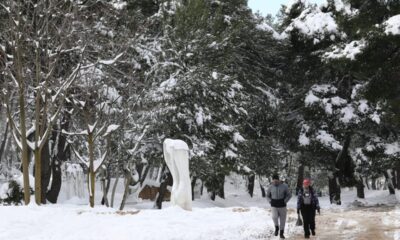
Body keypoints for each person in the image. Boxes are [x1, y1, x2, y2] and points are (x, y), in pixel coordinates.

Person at [266, 174, 291, 239]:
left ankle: (281, 233)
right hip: (274, 205)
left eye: (276, 181)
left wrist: (285, 201)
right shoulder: (270, 186)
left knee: (283, 220)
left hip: (282, 205)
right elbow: (267, 195)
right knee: (274, 217)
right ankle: (276, 227)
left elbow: (289, 195)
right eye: (274, 181)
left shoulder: (284, 186)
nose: (275, 182)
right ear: (272, 180)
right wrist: (270, 201)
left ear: (278, 180)